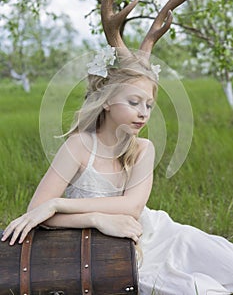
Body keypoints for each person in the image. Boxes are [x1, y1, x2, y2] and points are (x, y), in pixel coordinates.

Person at [1, 48, 233, 295]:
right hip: (123, 249)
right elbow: (37, 212)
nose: (143, 112)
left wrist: (58, 203)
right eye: (134, 102)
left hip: (159, 233)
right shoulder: (78, 146)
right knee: (201, 290)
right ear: (108, 100)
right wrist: (95, 219)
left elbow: (132, 207)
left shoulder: (144, 148)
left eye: (149, 105)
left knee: (227, 263)